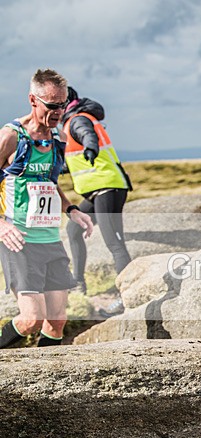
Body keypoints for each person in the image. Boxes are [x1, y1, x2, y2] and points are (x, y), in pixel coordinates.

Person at [0, 69, 93, 348]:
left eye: (63, 104)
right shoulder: (11, 136)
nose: (58, 111)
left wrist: (72, 210)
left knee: (58, 320)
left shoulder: (55, 140)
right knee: (32, 319)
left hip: (50, 239)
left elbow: (49, 184)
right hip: (19, 240)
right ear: (33, 100)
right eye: (52, 105)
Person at [62, 86, 132, 317]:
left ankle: (126, 299)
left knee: (114, 243)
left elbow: (87, 135)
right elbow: (74, 158)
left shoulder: (76, 120)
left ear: (66, 102)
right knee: (73, 228)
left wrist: (90, 146)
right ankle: (78, 283)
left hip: (108, 187)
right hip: (96, 190)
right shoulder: (75, 119)